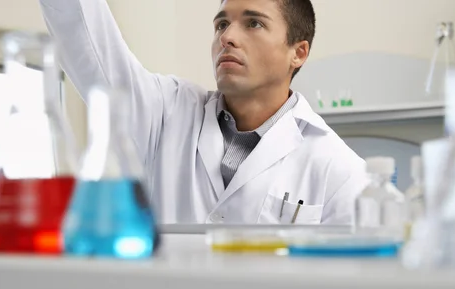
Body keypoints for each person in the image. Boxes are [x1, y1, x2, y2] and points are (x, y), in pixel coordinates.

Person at [39, 0, 368, 225]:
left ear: (298, 52)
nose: (227, 37)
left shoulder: (339, 169)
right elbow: (89, 43)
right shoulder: (168, 112)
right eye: (221, 24)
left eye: (253, 23)